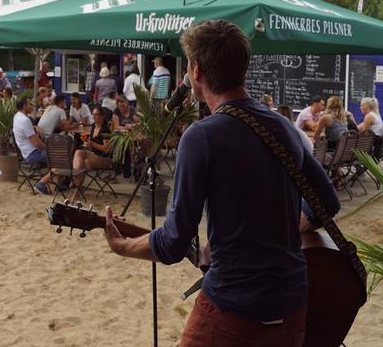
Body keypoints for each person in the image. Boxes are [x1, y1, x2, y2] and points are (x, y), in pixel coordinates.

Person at [103, 19, 340, 347]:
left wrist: (123, 247)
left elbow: (173, 242)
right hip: (293, 307)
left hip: (233, 310)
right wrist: (274, 229)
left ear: (196, 70)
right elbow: (327, 202)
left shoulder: (202, 136)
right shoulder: (285, 127)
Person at [13, 97, 52, 195]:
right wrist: (48, 148)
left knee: (57, 156)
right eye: (29, 104)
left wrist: (34, 127)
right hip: (33, 154)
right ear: (25, 106)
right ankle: (41, 184)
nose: (30, 106)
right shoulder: (25, 120)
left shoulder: (17, 117)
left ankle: (58, 183)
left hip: (25, 152)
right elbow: (37, 143)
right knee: (60, 158)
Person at [72, 105, 112, 187]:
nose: (94, 116)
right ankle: (77, 191)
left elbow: (106, 149)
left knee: (79, 153)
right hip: (94, 156)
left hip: (105, 159)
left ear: (102, 116)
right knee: (82, 162)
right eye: (93, 114)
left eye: (96, 114)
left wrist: (92, 143)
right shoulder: (93, 126)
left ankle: (74, 179)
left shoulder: (105, 129)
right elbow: (91, 148)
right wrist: (87, 144)